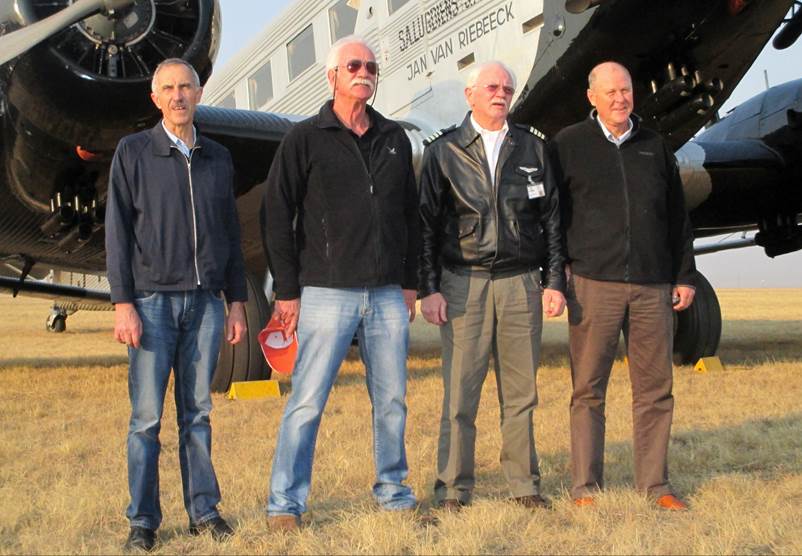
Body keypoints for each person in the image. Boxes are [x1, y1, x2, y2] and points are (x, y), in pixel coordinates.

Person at [261, 36, 420, 530]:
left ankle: (393, 491)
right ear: (331, 76)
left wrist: (410, 281)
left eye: (371, 66)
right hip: (327, 291)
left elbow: (411, 217)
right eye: (354, 64)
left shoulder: (394, 138)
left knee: (392, 400)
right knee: (308, 400)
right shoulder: (303, 138)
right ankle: (285, 503)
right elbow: (275, 214)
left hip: (388, 294)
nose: (364, 72)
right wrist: (287, 289)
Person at [105, 58, 247, 551]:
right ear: (155, 98)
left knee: (198, 413)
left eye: (186, 86)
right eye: (168, 88)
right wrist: (123, 303)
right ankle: (142, 522)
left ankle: (204, 512)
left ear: (200, 92)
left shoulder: (218, 157)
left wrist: (236, 302)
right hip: (151, 304)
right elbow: (118, 233)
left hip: (206, 303)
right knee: (146, 419)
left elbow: (230, 230)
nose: (178, 95)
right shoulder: (134, 152)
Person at [418, 61, 566, 511]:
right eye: (490, 87)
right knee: (460, 395)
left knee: (521, 394)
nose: (499, 94)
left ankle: (524, 485)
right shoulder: (443, 152)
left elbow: (554, 222)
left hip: (521, 284)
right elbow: (425, 225)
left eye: (506, 88)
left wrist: (554, 281)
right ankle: (452, 489)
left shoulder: (534, 150)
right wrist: (429, 287)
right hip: (464, 284)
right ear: (470, 95)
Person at [550, 61, 696, 510]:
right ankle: (585, 489)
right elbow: (552, 217)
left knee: (655, 390)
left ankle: (656, 486)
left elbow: (677, 217)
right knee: (588, 390)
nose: (620, 98)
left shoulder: (655, 146)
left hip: (653, 286)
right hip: (593, 283)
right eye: (610, 92)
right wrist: (559, 273)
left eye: (626, 90)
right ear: (591, 97)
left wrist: (684, 274)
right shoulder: (568, 144)